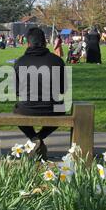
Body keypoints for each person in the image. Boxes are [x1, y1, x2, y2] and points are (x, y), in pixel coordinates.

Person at [14, 27, 67, 160]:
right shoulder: (57, 61)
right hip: (52, 108)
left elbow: (16, 91)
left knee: (16, 110)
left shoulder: (19, 62)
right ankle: (39, 138)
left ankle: (34, 138)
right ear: (45, 42)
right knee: (63, 109)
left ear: (28, 43)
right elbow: (63, 89)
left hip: (26, 107)